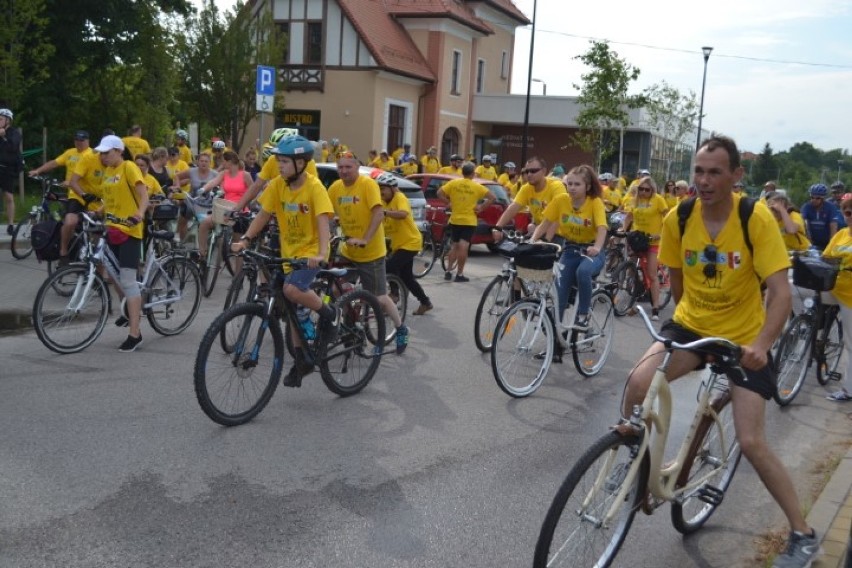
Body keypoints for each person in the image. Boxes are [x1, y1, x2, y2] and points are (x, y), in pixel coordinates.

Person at [621, 135, 819, 568]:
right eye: (698, 171)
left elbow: (781, 293)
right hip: (693, 324)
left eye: (714, 172)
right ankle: (637, 469)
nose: (704, 181)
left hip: (744, 340)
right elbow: (676, 279)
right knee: (637, 381)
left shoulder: (755, 218)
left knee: (751, 441)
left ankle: (803, 533)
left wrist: (762, 345)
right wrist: (683, 320)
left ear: (735, 175)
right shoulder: (679, 216)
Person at [230, 135, 338, 386]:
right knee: (285, 300)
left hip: (311, 252)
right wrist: (245, 239)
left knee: (291, 289)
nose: (279, 166)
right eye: (278, 161)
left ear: (301, 163)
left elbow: (324, 222)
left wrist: (321, 254)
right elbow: (264, 215)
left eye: (284, 162)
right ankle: (302, 360)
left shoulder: (314, 187)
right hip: (289, 254)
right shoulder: (278, 185)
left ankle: (328, 313)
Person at [328, 152, 409, 354]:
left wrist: (365, 238)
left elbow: (378, 213)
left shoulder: (368, 185)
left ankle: (401, 328)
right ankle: (350, 326)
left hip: (371, 252)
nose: (344, 171)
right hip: (347, 250)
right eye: (340, 167)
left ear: (357, 167)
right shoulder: (335, 188)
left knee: (379, 297)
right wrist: (329, 231)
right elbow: (327, 215)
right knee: (338, 290)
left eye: (348, 167)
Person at [533, 164, 607, 332]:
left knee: (583, 272)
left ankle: (583, 316)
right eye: (570, 184)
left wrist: (596, 247)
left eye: (577, 184)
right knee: (560, 292)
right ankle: (555, 338)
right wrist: (532, 241)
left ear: (587, 187)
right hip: (571, 249)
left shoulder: (595, 202)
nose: (572, 188)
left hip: (592, 251)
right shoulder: (561, 200)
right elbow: (545, 224)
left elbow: (602, 228)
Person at [94, 135, 149, 352]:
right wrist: (97, 212)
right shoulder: (108, 172)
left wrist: (139, 213)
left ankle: (135, 334)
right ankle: (129, 308)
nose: (103, 156)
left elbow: (143, 195)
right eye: (101, 153)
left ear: (119, 151)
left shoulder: (129, 167)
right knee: (111, 273)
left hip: (130, 231)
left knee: (127, 281)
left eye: (107, 152)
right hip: (112, 229)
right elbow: (108, 200)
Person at [377, 172, 434, 315]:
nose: (381, 192)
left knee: (388, 267)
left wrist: (385, 213)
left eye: (383, 188)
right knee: (407, 277)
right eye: (379, 188)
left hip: (411, 242)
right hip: (399, 244)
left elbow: (403, 214)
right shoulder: (383, 202)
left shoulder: (399, 197)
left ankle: (394, 295)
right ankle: (425, 302)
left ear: (393, 188)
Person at [620, 175, 669, 320]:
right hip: (637, 239)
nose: (643, 192)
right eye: (640, 189)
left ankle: (655, 308)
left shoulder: (658, 200)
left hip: (652, 241)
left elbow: (667, 219)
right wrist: (623, 230)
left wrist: (660, 234)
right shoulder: (636, 200)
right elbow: (629, 217)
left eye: (646, 190)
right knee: (631, 267)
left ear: (652, 190)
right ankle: (634, 293)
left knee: (652, 275)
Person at [437, 162, 496, 282]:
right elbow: (492, 197)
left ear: (462, 172)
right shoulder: (476, 186)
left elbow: (439, 193)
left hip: (455, 219)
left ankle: (448, 272)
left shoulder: (454, 183)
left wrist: (448, 203)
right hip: (469, 221)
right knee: (464, 247)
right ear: (473, 174)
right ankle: (459, 274)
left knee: (454, 246)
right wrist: (481, 207)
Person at [822, 194, 852, 402]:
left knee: (851, 344)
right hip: (833, 288)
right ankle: (807, 328)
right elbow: (826, 256)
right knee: (794, 288)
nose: (850, 216)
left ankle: (849, 390)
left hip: (850, 297)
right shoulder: (841, 234)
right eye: (847, 212)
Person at [492, 156, 566, 240]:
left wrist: (546, 240)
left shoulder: (556, 186)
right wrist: (498, 227)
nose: (529, 174)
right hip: (539, 232)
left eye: (533, 171)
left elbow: (558, 217)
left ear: (544, 171)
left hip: (558, 234)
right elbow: (513, 208)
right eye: (527, 171)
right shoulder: (526, 188)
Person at [197, 150, 252, 257]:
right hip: (224, 209)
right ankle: (202, 253)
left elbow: (252, 191)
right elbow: (213, 182)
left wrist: (247, 203)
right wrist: (203, 189)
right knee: (205, 223)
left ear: (230, 162)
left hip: (239, 211)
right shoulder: (224, 174)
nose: (222, 164)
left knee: (238, 244)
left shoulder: (245, 175)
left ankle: (238, 272)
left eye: (224, 162)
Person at [172, 153, 218, 241]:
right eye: (201, 161)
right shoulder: (192, 171)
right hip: (193, 199)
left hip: (208, 201)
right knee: (185, 211)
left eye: (206, 161)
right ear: (198, 162)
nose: (203, 163)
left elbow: (223, 182)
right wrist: (177, 186)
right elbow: (177, 176)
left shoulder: (215, 174)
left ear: (209, 163)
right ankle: (178, 233)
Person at [0, 108, 23, 234]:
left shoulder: (14, 133)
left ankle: (10, 224)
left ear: (8, 121)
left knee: (8, 197)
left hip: (7, 169)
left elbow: (13, 148)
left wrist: (3, 137)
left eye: (0, 119)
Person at [800, 183, 840, 251]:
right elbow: (804, 224)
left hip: (826, 242)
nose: (814, 200)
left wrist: (831, 246)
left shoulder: (831, 207)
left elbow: (833, 227)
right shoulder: (806, 207)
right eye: (812, 197)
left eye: (817, 198)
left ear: (823, 199)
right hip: (811, 242)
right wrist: (809, 243)